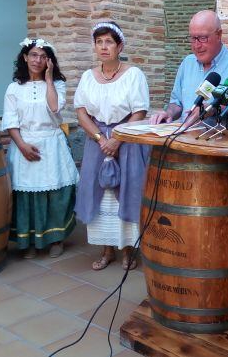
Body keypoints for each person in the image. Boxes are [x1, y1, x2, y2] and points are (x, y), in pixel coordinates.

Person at [74, 21, 150, 271]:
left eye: (109, 42)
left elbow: (139, 111)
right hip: (97, 143)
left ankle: (128, 250)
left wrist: (118, 138)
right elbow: (82, 113)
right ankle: (106, 250)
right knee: (101, 195)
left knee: (126, 191)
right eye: (99, 42)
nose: (104, 47)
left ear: (119, 46)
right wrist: (101, 139)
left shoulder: (133, 75)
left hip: (126, 141)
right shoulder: (88, 77)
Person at [2, 38, 79, 259]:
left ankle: (56, 239)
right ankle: (30, 243)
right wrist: (22, 145)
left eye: (43, 56)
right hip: (24, 143)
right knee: (26, 194)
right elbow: (10, 121)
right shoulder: (14, 88)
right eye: (34, 55)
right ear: (25, 57)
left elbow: (54, 107)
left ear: (49, 61)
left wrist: (48, 80)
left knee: (55, 192)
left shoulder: (57, 85)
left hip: (51, 143)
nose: (38, 60)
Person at [149, 10, 228, 125]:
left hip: (220, 139)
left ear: (219, 35)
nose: (197, 46)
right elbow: (176, 103)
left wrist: (213, 109)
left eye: (203, 38)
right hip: (182, 138)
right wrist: (168, 113)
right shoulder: (187, 63)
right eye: (193, 38)